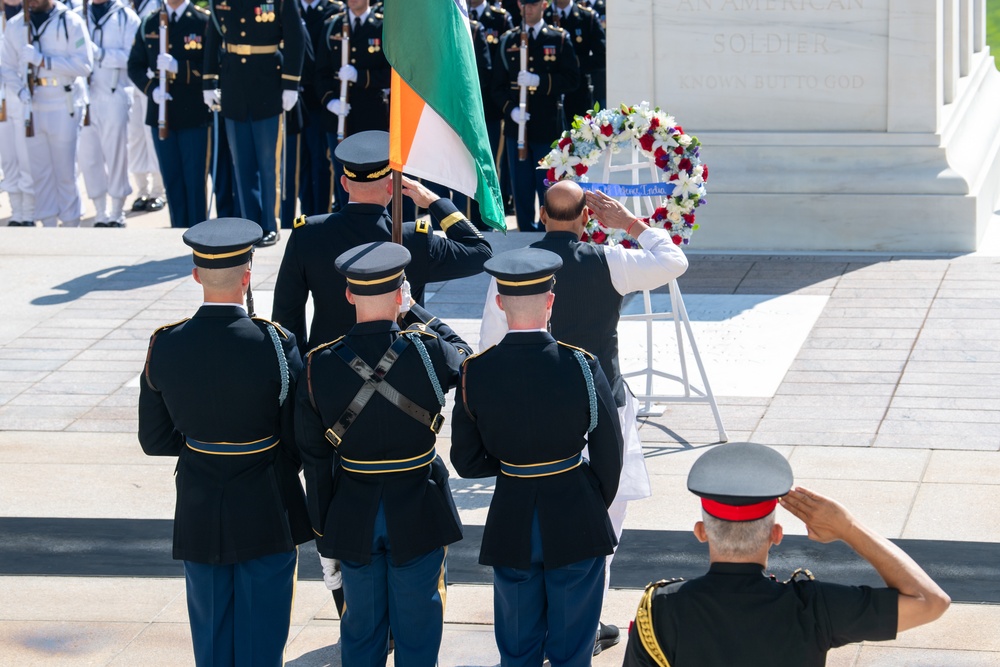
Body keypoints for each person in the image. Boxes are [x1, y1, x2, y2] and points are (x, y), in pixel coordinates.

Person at [479, 181, 689, 655]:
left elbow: (489, 348)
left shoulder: (513, 271)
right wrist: (631, 224)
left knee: (534, 520)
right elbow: (674, 261)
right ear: (587, 217)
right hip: (602, 409)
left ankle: (545, 626)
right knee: (603, 525)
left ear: (540, 213)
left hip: (534, 413)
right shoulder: (608, 259)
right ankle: (584, 624)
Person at [138, 217, 313, 667]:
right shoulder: (276, 343)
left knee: (213, 641)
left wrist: (204, 444)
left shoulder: (166, 344)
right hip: (267, 504)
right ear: (248, 275)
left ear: (196, 274)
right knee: (262, 638)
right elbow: (297, 435)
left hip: (200, 505)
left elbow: (155, 439)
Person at [622, 442, 951, 667]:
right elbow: (931, 602)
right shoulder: (813, 608)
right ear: (776, 535)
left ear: (701, 530)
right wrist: (849, 528)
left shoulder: (661, 608)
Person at [296, 241, 467, 667]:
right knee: (419, 631)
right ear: (400, 292)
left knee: (361, 634)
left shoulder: (319, 364)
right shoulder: (429, 351)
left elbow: (315, 462)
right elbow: (468, 360)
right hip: (420, 506)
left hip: (354, 513)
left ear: (349, 294)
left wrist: (323, 534)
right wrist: (418, 315)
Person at [451, 247, 624, 667]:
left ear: (499, 303)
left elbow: (467, 461)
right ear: (551, 300)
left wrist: (513, 466)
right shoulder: (582, 365)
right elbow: (610, 451)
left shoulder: (476, 371)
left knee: (517, 646)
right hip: (574, 509)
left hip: (513, 513)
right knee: (571, 649)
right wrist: (588, 498)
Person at [272, 129, 493, 356]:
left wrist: (302, 378)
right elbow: (481, 252)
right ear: (393, 185)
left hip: (328, 369)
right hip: (400, 369)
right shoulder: (413, 239)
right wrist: (436, 202)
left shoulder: (307, 234)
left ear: (344, 184)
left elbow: (286, 316)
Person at [203, 0, 306, 246]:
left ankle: (271, 224)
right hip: (234, 86)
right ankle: (251, 224)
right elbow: (213, 40)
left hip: (267, 85)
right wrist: (208, 81)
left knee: (269, 162)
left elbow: (295, 38)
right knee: (242, 163)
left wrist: (291, 84)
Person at [1, 0, 92, 228]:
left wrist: (44, 60)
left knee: (65, 172)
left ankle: (71, 225)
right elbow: (7, 66)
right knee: (39, 173)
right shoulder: (15, 25)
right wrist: (20, 90)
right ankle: (48, 226)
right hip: (32, 105)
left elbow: (84, 65)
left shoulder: (69, 21)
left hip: (63, 101)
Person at [491, 0, 578, 231]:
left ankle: (549, 233)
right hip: (517, 129)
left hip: (546, 126)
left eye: (533, 4)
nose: (528, 9)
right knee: (521, 187)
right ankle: (525, 233)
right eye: (524, 4)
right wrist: (511, 110)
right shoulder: (508, 40)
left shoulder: (558, 39)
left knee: (548, 186)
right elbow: (496, 88)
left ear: (544, 5)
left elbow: (572, 79)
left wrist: (540, 81)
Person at [127, 0, 211, 229]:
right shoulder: (150, 22)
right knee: (172, 180)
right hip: (161, 114)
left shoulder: (202, 21)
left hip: (193, 113)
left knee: (194, 181)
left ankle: (198, 235)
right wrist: (151, 89)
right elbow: (134, 65)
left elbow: (211, 65)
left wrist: (179, 67)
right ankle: (177, 232)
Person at [315, 0, 389, 211]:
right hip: (340, 117)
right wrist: (330, 101)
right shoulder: (333, 25)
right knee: (343, 175)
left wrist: (361, 76)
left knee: (374, 173)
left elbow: (391, 73)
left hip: (371, 114)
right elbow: (320, 72)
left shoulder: (382, 27)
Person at [79, 0, 139, 228]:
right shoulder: (79, 14)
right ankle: (100, 212)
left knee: (116, 154)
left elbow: (132, 57)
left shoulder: (126, 17)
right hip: (86, 95)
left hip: (114, 93)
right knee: (89, 156)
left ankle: (116, 211)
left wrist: (100, 54)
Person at [126, 0, 166, 215]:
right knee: (135, 138)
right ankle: (141, 189)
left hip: (151, 80)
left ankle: (158, 191)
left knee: (153, 139)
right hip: (129, 80)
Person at [1, 0, 37, 226]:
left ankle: (29, 213)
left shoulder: (28, 18)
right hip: (3, 98)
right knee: (8, 160)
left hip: (21, 95)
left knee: (27, 158)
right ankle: (16, 213)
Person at [543, 0, 603, 124]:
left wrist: (573, 63)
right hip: (548, 94)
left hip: (579, 93)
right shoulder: (543, 17)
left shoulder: (587, 17)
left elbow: (601, 57)